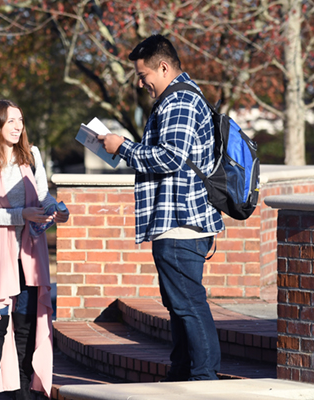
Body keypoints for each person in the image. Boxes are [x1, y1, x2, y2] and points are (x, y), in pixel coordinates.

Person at [99, 34, 224, 381]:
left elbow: (171, 156)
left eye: (143, 76)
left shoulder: (179, 101)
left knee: (187, 304)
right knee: (180, 304)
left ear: (164, 67)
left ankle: (203, 379)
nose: (141, 84)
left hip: (181, 221)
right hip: (179, 220)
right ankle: (184, 373)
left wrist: (123, 147)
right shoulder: (178, 98)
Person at [0, 100, 69, 400]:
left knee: (26, 327)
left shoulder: (32, 156)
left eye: (20, 120)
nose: (17, 127)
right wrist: (20, 215)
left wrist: (55, 210)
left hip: (29, 257)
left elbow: (41, 197)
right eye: (10, 121)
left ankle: (26, 394)